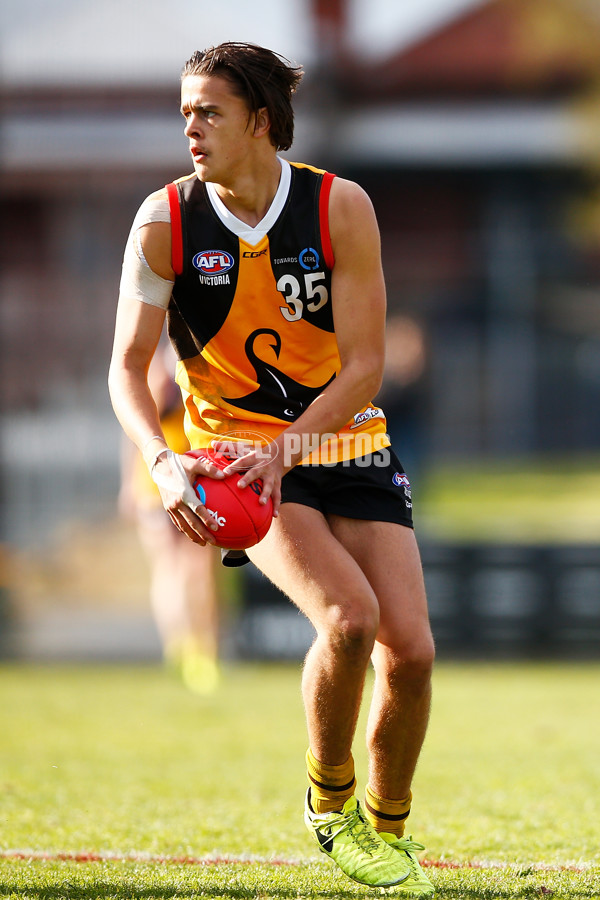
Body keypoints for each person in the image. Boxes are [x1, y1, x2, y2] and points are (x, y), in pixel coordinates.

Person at [108, 42, 435, 895]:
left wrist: (292, 443)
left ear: (260, 122)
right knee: (349, 620)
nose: (190, 125)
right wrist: (162, 462)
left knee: (414, 655)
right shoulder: (163, 222)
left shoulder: (340, 206)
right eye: (184, 110)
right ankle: (331, 809)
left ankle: (389, 831)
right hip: (241, 468)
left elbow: (364, 364)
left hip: (347, 444)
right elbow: (125, 367)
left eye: (208, 110)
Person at [118, 341, 221, 693]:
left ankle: (191, 649)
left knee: (188, 569)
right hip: (165, 480)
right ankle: (188, 649)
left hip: (183, 478)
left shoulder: (180, 362)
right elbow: (139, 430)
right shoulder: (169, 366)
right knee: (178, 568)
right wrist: (129, 484)